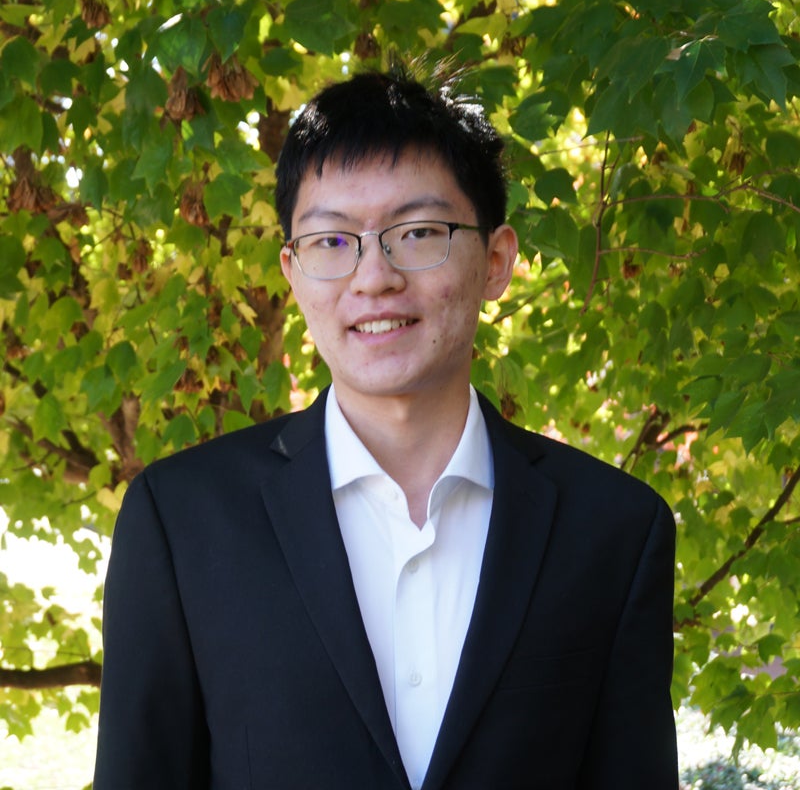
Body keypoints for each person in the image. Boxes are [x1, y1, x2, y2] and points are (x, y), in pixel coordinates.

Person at [93, 68, 678, 789]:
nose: (374, 277)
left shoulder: (615, 531)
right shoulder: (181, 522)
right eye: (332, 242)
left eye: (418, 232)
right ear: (292, 270)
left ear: (496, 262)